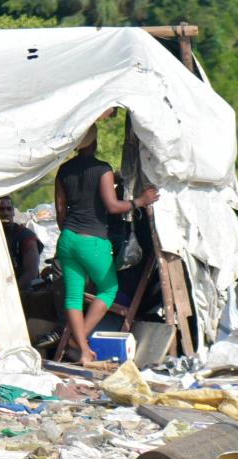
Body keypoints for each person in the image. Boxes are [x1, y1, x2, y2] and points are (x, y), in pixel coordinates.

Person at [54, 124, 159, 363]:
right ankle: (82, 339)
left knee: (73, 296)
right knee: (108, 289)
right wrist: (141, 201)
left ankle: (81, 348)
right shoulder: (102, 169)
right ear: (94, 143)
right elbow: (113, 206)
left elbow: (61, 211)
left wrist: (71, 234)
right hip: (93, 241)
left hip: (67, 238)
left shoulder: (64, 170)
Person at [0, 196, 44, 290]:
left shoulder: (26, 236)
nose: (5, 213)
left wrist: (11, 292)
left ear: (13, 212)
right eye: (1, 209)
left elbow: (31, 273)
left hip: (23, 291)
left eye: (9, 209)